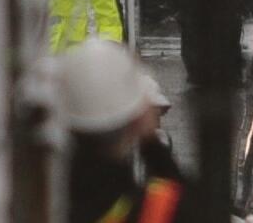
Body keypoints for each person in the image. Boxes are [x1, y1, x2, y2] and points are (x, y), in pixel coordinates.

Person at [59, 40, 198, 223]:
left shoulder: (43, 198)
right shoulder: (153, 209)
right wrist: (151, 145)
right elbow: (193, 203)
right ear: (136, 121)